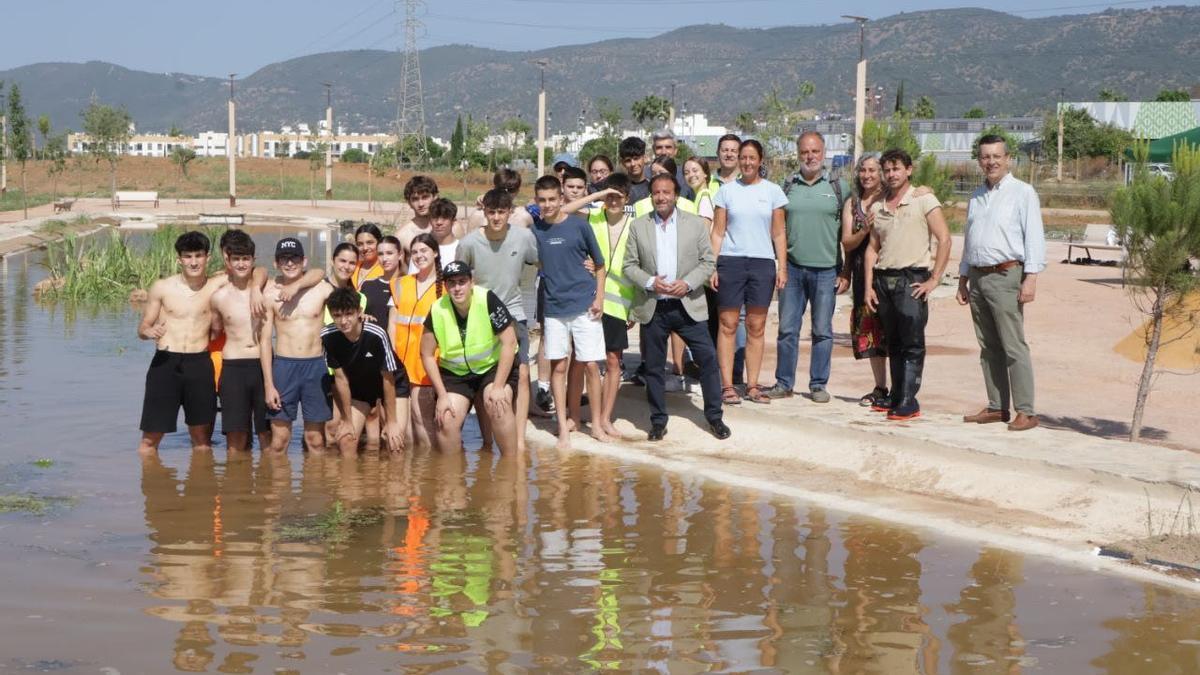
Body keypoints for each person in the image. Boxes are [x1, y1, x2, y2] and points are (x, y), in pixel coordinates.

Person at [623, 173, 730, 440]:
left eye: (666, 192)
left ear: (676, 195)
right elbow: (628, 266)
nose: (661, 197)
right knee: (654, 367)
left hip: (688, 305)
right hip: (654, 306)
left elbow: (708, 262)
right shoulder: (638, 226)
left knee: (707, 359)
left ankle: (714, 417)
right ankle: (658, 421)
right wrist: (650, 282)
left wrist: (688, 283)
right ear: (651, 196)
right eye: (656, 193)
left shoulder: (695, 224)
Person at [956, 134, 1045, 432]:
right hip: (979, 277)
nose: (991, 161)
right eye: (985, 157)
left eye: (996, 156)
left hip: (1007, 276)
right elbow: (970, 239)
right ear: (979, 160)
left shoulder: (1023, 192)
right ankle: (997, 406)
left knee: (1013, 344)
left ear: (1008, 158)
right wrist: (963, 278)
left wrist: (1030, 278)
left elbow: (1034, 236)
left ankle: (1026, 410)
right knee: (988, 345)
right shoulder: (976, 195)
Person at [865, 149, 953, 421]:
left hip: (911, 280)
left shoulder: (923, 199)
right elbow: (872, 248)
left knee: (912, 343)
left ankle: (908, 400)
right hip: (884, 281)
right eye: (887, 170)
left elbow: (944, 238)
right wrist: (869, 286)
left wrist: (934, 280)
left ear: (909, 170)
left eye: (896, 169)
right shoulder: (878, 207)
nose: (891, 174)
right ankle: (895, 394)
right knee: (893, 343)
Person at [457, 189, 541, 451]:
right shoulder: (469, 243)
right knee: (486, 377)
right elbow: (457, 280)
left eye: (501, 212)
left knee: (524, 374)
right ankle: (486, 440)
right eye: (491, 212)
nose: (496, 217)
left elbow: (539, 263)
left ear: (510, 212)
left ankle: (519, 440)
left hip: (515, 313)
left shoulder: (524, 237)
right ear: (484, 212)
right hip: (480, 316)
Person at [767, 132, 848, 402]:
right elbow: (775, 227)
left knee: (822, 331)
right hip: (792, 269)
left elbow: (850, 232)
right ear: (798, 154)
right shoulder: (786, 187)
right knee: (787, 329)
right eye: (804, 152)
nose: (810, 157)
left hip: (827, 271)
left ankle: (818, 385)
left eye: (815, 151)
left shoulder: (840, 187)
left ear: (823, 153)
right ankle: (784, 383)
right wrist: (780, 266)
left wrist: (846, 271)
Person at [531, 175, 611, 448]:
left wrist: (599, 298)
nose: (547, 204)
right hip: (554, 308)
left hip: (585, 305)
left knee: (591, 364)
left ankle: (598, 425)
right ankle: (563, 425)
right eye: (542, 200)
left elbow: (600, 265)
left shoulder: (580, 226)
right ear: (536, 200)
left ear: (561, 199)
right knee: (559, 366)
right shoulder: (535, 231)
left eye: (552, 199)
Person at [710, 139, 788, 405]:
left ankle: (752, 385)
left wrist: (782, 267)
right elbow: (718, 232)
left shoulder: (773, 191)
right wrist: (712, 265)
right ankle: (728, 386)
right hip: (730, 263)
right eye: (743, 157)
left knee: (756, 326)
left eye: (751, 157)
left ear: (760, 159)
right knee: (728, 324)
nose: (746, 162)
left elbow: (778, 232)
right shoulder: (726, 192)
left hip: (762, 264)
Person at [136, 232, 224, 455]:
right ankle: (151, 488)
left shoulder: (216, 285)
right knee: (149, 441)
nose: (193, 262)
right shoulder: (162, 287)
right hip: (166, 363)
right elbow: (142, 328)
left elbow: (257, 271)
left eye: (198, 256)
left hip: (200, 364)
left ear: (208, 257)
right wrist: (149, 331)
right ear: (179, 259)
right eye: (187, 256)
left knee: (202, 442)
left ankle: (201, 486)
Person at [420, 261, 520, 455]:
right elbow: (426, 353)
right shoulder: (437, 309)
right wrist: (441, 396)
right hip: (455, 374)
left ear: (471, 282)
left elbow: (509, 342)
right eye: (452, 283)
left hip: (492, 368)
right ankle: (453, 479)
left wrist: (499, 387)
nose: (457, 288)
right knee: (446, 418)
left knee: (498, 405)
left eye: (462, 281)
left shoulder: (487, 299)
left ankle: (510, 467)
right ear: (446, 286)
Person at [260, 238, 335, 451]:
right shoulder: (270, 294)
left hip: (315, 367)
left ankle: (316, 483)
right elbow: (265, 341)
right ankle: (277, 484)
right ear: (276, 263)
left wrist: (363, 316)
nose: (290, 263)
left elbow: (345, 307)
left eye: (294, 258)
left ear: (304, 261)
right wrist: (268, 384)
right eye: (284, 259)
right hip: (284, 367)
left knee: (316, 440)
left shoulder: (322, 289)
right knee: (279, 441)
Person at [322, 287, 410, 454]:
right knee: (347, 440)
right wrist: (347, 420)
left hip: (393, 383)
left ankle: (396, 479)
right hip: (360, 387)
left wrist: (391, 422)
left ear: (359, 312)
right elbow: (341, 380)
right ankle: (351, 480)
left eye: (348, 314)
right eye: (337, 315)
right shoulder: (328, 337)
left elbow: (388, 378)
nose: (343, 321)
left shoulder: (377, 334)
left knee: (395, 441)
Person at [209, 230, 271, 453]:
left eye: (246, 259)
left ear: (253, 260)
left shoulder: (266, 288)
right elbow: (214, 330)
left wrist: (256, 287)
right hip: (233, 366)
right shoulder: (218, 295)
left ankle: (269, 484)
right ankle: (235, 484)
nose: (242, 264)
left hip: (262, 365)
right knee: (235, 438)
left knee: (267, 434)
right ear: (228, 260)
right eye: (237, 259)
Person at [586, 174, 637, 438]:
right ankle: (592, 416)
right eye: (610, 196)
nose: (613, 201)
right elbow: (563, 211)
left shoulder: (635, 225)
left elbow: (641, 266)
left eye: (618, 196)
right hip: (591, 298)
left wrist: (634, 309)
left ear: (627, 199)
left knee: (613, 360)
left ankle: (606, 417)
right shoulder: (593, 217)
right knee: (589, 361)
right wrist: (596, 196)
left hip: (619, 303)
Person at [389, 233, 443, 449]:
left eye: (424, 250)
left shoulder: (445, 286)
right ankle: (410, 476)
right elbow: (393, 322)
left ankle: (429, 472)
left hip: (426, 365)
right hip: (400, 362)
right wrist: (391, 355)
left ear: (435, 253)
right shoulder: (401, 283)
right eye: (415, 252)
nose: (419, 256)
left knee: (423, 421)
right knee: (406, 427)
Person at [360, 235, 403, 326]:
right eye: (380, 254)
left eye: (389, 253)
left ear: (400, 255)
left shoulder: (409, 284)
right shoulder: (368, 285)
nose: (384, 259)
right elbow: (357, 313)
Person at [409, 197, 459, 273]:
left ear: (454, 221)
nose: (439, 222)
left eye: (444, 218)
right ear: (430, 220)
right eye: (435, 217)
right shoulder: (420, 247)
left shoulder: (462, 248)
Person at [645, 129, 696, 201]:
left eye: (668, 147)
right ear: (653, 150)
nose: (663, 152)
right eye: (659, 147)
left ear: (675, 150)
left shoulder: (686, 175)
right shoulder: (644, 175)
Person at [619, 136, 651, 205]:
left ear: (645, 158)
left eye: (636, 158)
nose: (633, 164)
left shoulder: (653, 187)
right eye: (628, 160)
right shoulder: (618, 187)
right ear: (622, 162)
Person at [683, 156, 715, 225]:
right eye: (686, 173)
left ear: (705, 173)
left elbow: (704, 230)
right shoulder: (699, 196)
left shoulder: (705, 196)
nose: (691, 175)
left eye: (695, 171)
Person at [352, 223, 384, 289]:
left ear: (379, 242)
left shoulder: (386, 268)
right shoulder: (352, 266)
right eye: (360, 244)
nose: (365, 248)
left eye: (369, 242)